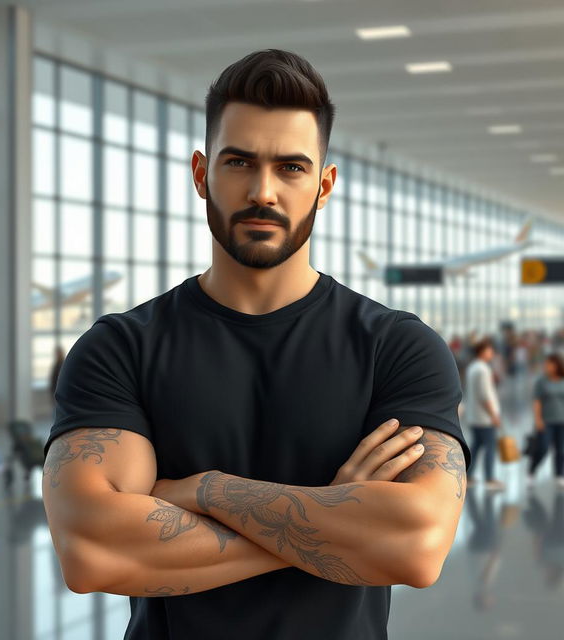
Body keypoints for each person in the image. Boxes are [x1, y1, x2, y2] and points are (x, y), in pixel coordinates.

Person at [42, 49, 471, 640]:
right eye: (239, 161)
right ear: (201, 174)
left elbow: (416, 547)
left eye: (291, 168)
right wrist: (336, 512)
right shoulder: (120, 348)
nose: (263, 191)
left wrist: (204, 490)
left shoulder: (398, 349)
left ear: (324, 186)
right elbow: (95, 553)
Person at [465, 338, 505, 490]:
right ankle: (489, 479)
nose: (492, 353)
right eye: (490, 350)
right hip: (484, 418)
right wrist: (493, 415)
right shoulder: (483, 369)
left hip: (474, 416)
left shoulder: (472, 367)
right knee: (490, 447)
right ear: (482, 352)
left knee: (477, 446)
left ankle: (468, 476)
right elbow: (484, 395)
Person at [528, 352, 564, 488]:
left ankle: (559, 474)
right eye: (546, 364)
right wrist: (538, 419)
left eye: (550, 364)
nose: (547, 367)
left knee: (561, 449)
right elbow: (537, 402)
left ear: (557, 365)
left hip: (562, 421)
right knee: (543, 448)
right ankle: (532, 470)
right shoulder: (541, 382)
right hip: (546, 421)